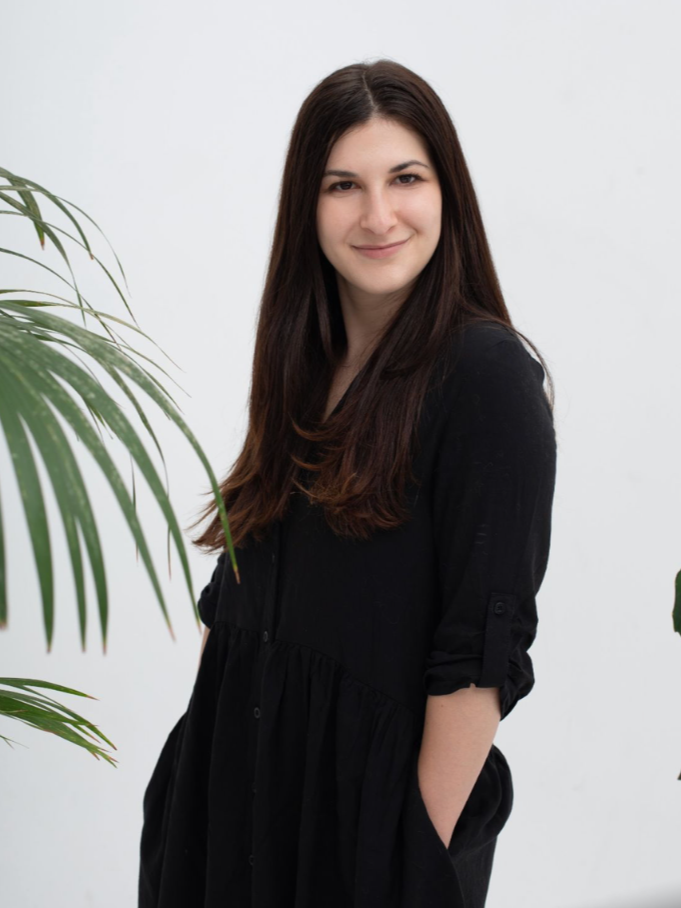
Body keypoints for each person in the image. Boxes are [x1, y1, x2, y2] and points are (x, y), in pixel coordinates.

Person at [138, 58, 558, 908]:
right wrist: (191, 784)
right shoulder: (302, 358)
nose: (377, 215)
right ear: (308, 205)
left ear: (448, 191)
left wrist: (409, 850)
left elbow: (479, 656)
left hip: (370, 829)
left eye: (405, 177)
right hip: (231, 805)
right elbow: (239, 592)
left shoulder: (485, 376)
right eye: (342, 186)